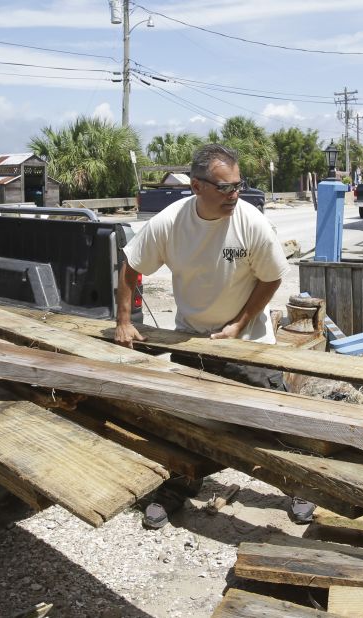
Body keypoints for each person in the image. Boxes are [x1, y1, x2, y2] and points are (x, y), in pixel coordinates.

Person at [115, 143, 315, 527]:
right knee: (186, 425)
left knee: (274, 419)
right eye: (224, 187)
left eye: (238, 185)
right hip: (192, 339)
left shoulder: (250, 222)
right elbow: (130, 266)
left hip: (248, 342)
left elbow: (272, 278)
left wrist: (239, 324)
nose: (234, 194)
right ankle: (179, 484)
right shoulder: (170, 222)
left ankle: (297, 484)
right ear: (196, 186)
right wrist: (124, 320)